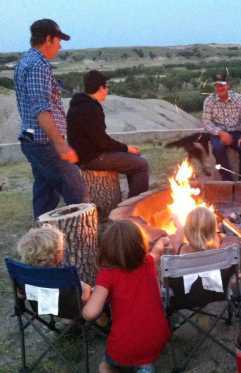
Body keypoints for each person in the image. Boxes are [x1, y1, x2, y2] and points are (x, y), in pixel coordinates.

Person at [14, 19, 87, 219]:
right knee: (77, 190)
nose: (60, 46)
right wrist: (61, 144)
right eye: (58, 40)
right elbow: (41, 109)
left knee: (45, 192)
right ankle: (82, 241)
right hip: (43, 141)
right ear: (48, 39)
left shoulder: (24, 62)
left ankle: (43, 241)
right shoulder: (38, 65)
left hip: (30, 137)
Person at [82, 220, 171, 373]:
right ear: (140, 244)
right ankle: (145, 367)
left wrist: (85, 300)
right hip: (158, 338)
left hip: (125, 346)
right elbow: (156, 251)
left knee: (104, 367)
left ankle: (138, 365)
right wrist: (163, 240)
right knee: (144, 354)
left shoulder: (107, 275)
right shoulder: (149, 262)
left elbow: (90, 314)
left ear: (107, 249)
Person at [67, 70, 149, 198]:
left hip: (84, 155)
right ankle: (136, 206)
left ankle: (133, 199)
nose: (107, 91)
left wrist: (125, 150)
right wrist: (126, 148)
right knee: (141, 165)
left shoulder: (78, 104)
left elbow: (98, 139)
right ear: (101, 88)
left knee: (135, 159)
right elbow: (102, 142)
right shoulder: (90, 108)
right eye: (107, 87)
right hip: (92, 158)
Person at [16, 225, 92, 302]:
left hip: (43, 306)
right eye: (62, 249)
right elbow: (84, 294)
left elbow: (20, 294)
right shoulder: (64, 276)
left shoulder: (23, 275)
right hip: (67, 309)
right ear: (56, 255)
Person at [202, 71, 241, 181]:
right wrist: (221, 133)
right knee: (218, 148)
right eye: (216, 85)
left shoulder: (238, 99)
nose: (219, 88)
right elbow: (206, 122)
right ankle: (227, 180)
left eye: (222, 85)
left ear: (228, 86)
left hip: (236, 132)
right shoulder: (209, 101)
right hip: (218, 133)